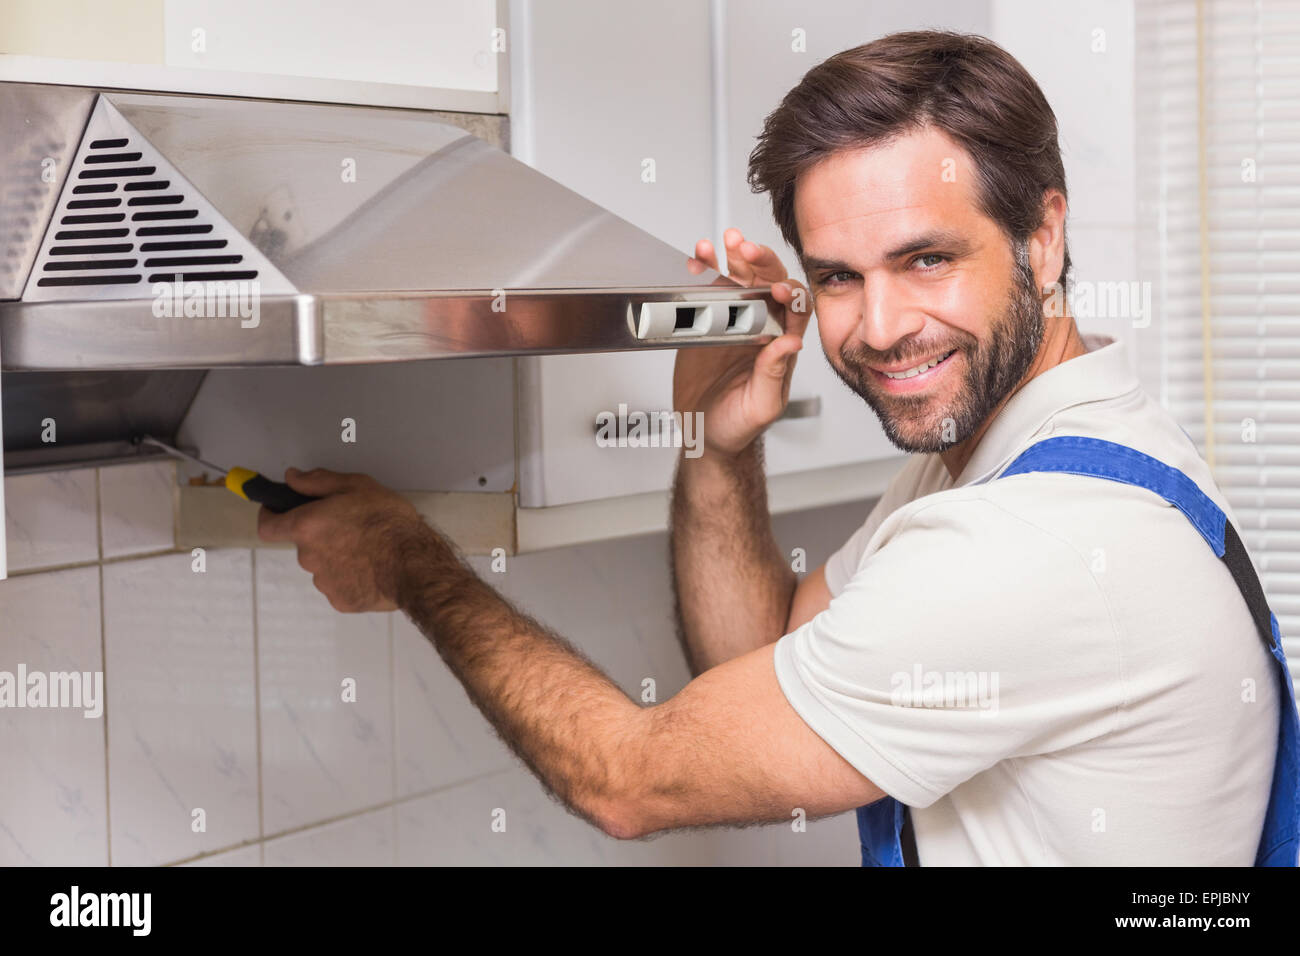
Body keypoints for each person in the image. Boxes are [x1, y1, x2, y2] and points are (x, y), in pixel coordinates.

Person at [257, 30, 1298, 865]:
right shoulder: (1025, 455)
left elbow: (627, 777)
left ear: (1042, 237)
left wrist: (409, 558)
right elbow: (763, 657)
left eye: (926, 258)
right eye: (839, 275)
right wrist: (718, 445)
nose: (880, 325)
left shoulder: (1028, 543)